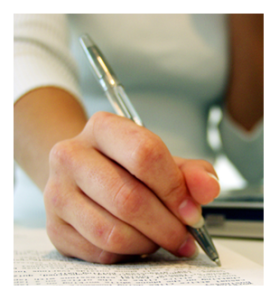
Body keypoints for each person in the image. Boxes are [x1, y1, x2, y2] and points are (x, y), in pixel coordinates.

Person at [14, 14, 263, 264]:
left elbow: (253, 161)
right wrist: (82, 176)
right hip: (55, 225)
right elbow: (20, 55)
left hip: (208, 223)